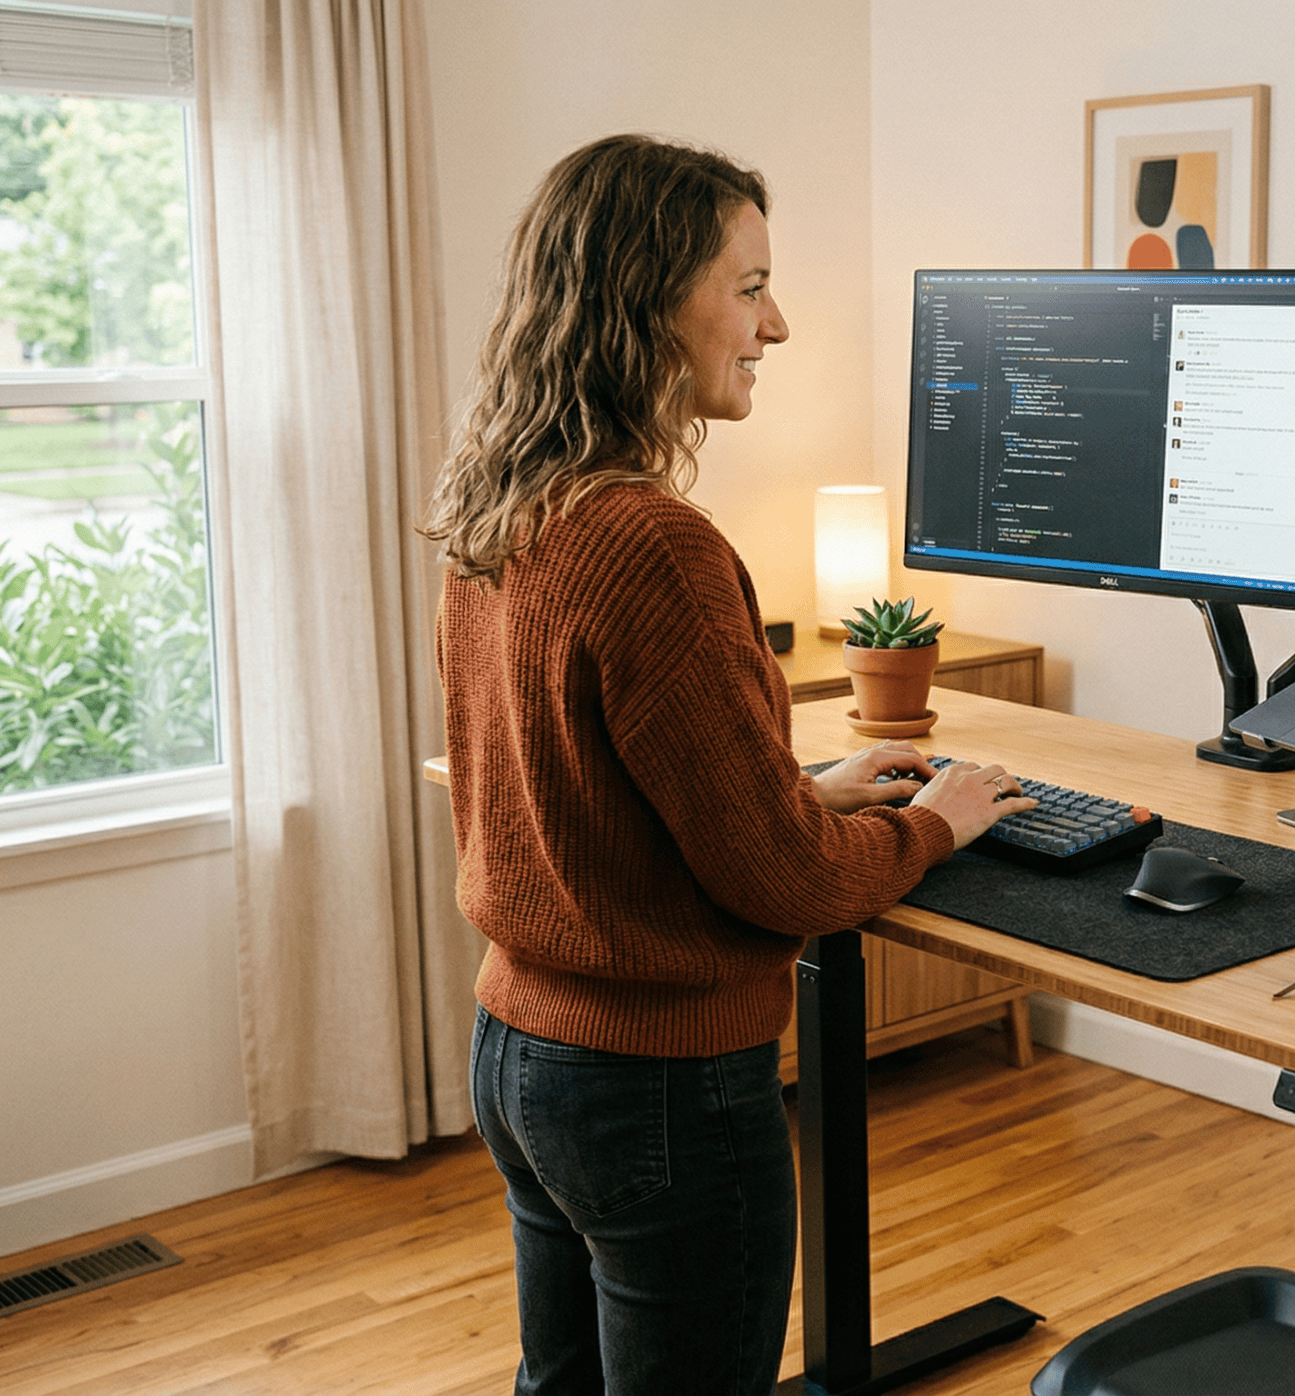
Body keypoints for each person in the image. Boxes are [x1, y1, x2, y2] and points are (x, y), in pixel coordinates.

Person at [420, 134, 1033, 1396]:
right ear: (649, 302)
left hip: (519, 1051)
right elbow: (788, 885)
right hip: (652, 1087)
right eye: (750, 288)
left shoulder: (506, 504)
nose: (778, 324)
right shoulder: (653, 545)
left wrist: (796, 794)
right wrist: (938, 821)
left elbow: (587, 795)